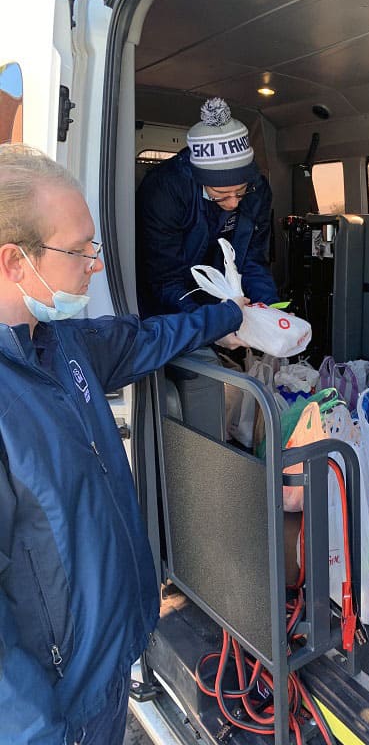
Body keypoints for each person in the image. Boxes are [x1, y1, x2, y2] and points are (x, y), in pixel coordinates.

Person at [0, 144, 246, 744]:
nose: (96, 264)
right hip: (59, 713)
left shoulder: (61, 344)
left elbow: (146, 338)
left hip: (107, 670)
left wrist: (232, 315)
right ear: (14, 262)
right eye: (80, 248)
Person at [136, 96, 278, 318]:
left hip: (220, 294)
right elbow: (164, 278)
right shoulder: (164, 191)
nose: (232, 203)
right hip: (170, 299)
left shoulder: (257, 190)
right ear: (201, 180)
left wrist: (271, 311)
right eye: (220, 195)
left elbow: (253, 260)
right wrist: (207, 325)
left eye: (240, 192)